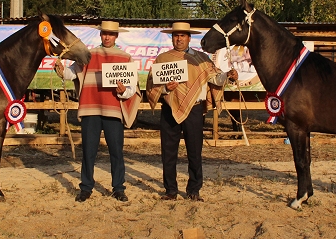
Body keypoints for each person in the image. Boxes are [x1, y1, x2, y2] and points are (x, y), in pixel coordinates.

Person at [146, 22, 237, 202]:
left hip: (194, 109)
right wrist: (165, 88)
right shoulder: (163, 59)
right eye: (176, 35)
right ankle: (171, 190)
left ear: (189, 38)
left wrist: (227, 75)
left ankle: (194, 190)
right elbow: (151, 84)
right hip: (169, 109)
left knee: (195, 151)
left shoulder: (201, 58)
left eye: (182, 35)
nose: (179, 38)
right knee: (168, 151)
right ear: (172, 37)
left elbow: (215, 78)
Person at [55, 20, 141, 203]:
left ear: (116, 36)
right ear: (100, 35)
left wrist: (123, 91)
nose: (107, 36)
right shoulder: (88, 54)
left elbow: (133, 88)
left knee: (116, 151)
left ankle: (118, 188)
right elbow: (73, 73)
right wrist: (62, 71)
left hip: (113, 111)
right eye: (104, 33)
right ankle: (86, 188)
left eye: (110, 34)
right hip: (90, 109)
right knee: (88, 151)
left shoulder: (125, 58)